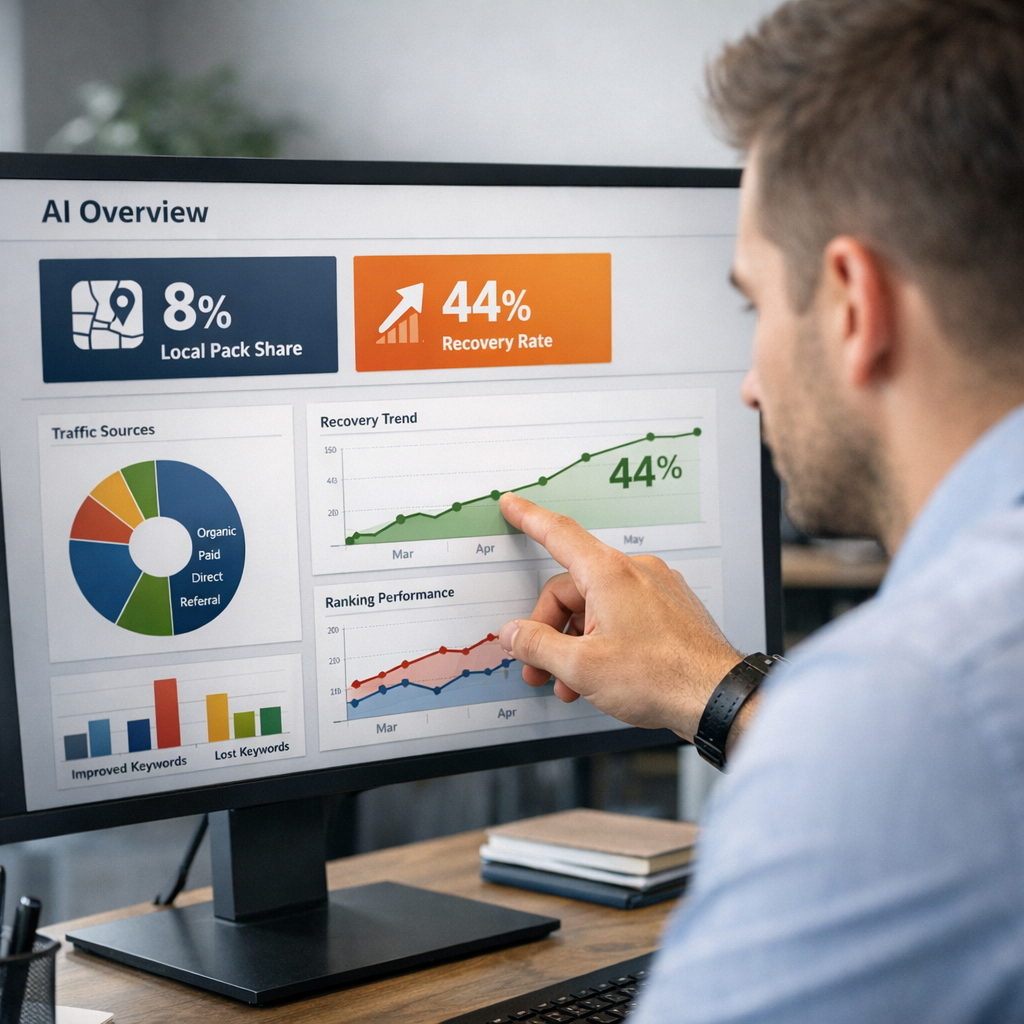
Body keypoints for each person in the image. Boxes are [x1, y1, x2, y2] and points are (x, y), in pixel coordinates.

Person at [497, 0, 1024, 1019]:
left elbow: (931, 736)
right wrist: (720, 690)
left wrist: (829, 729)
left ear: (853, 305)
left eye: (757, 305)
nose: (749, 383)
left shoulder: (915, 701)